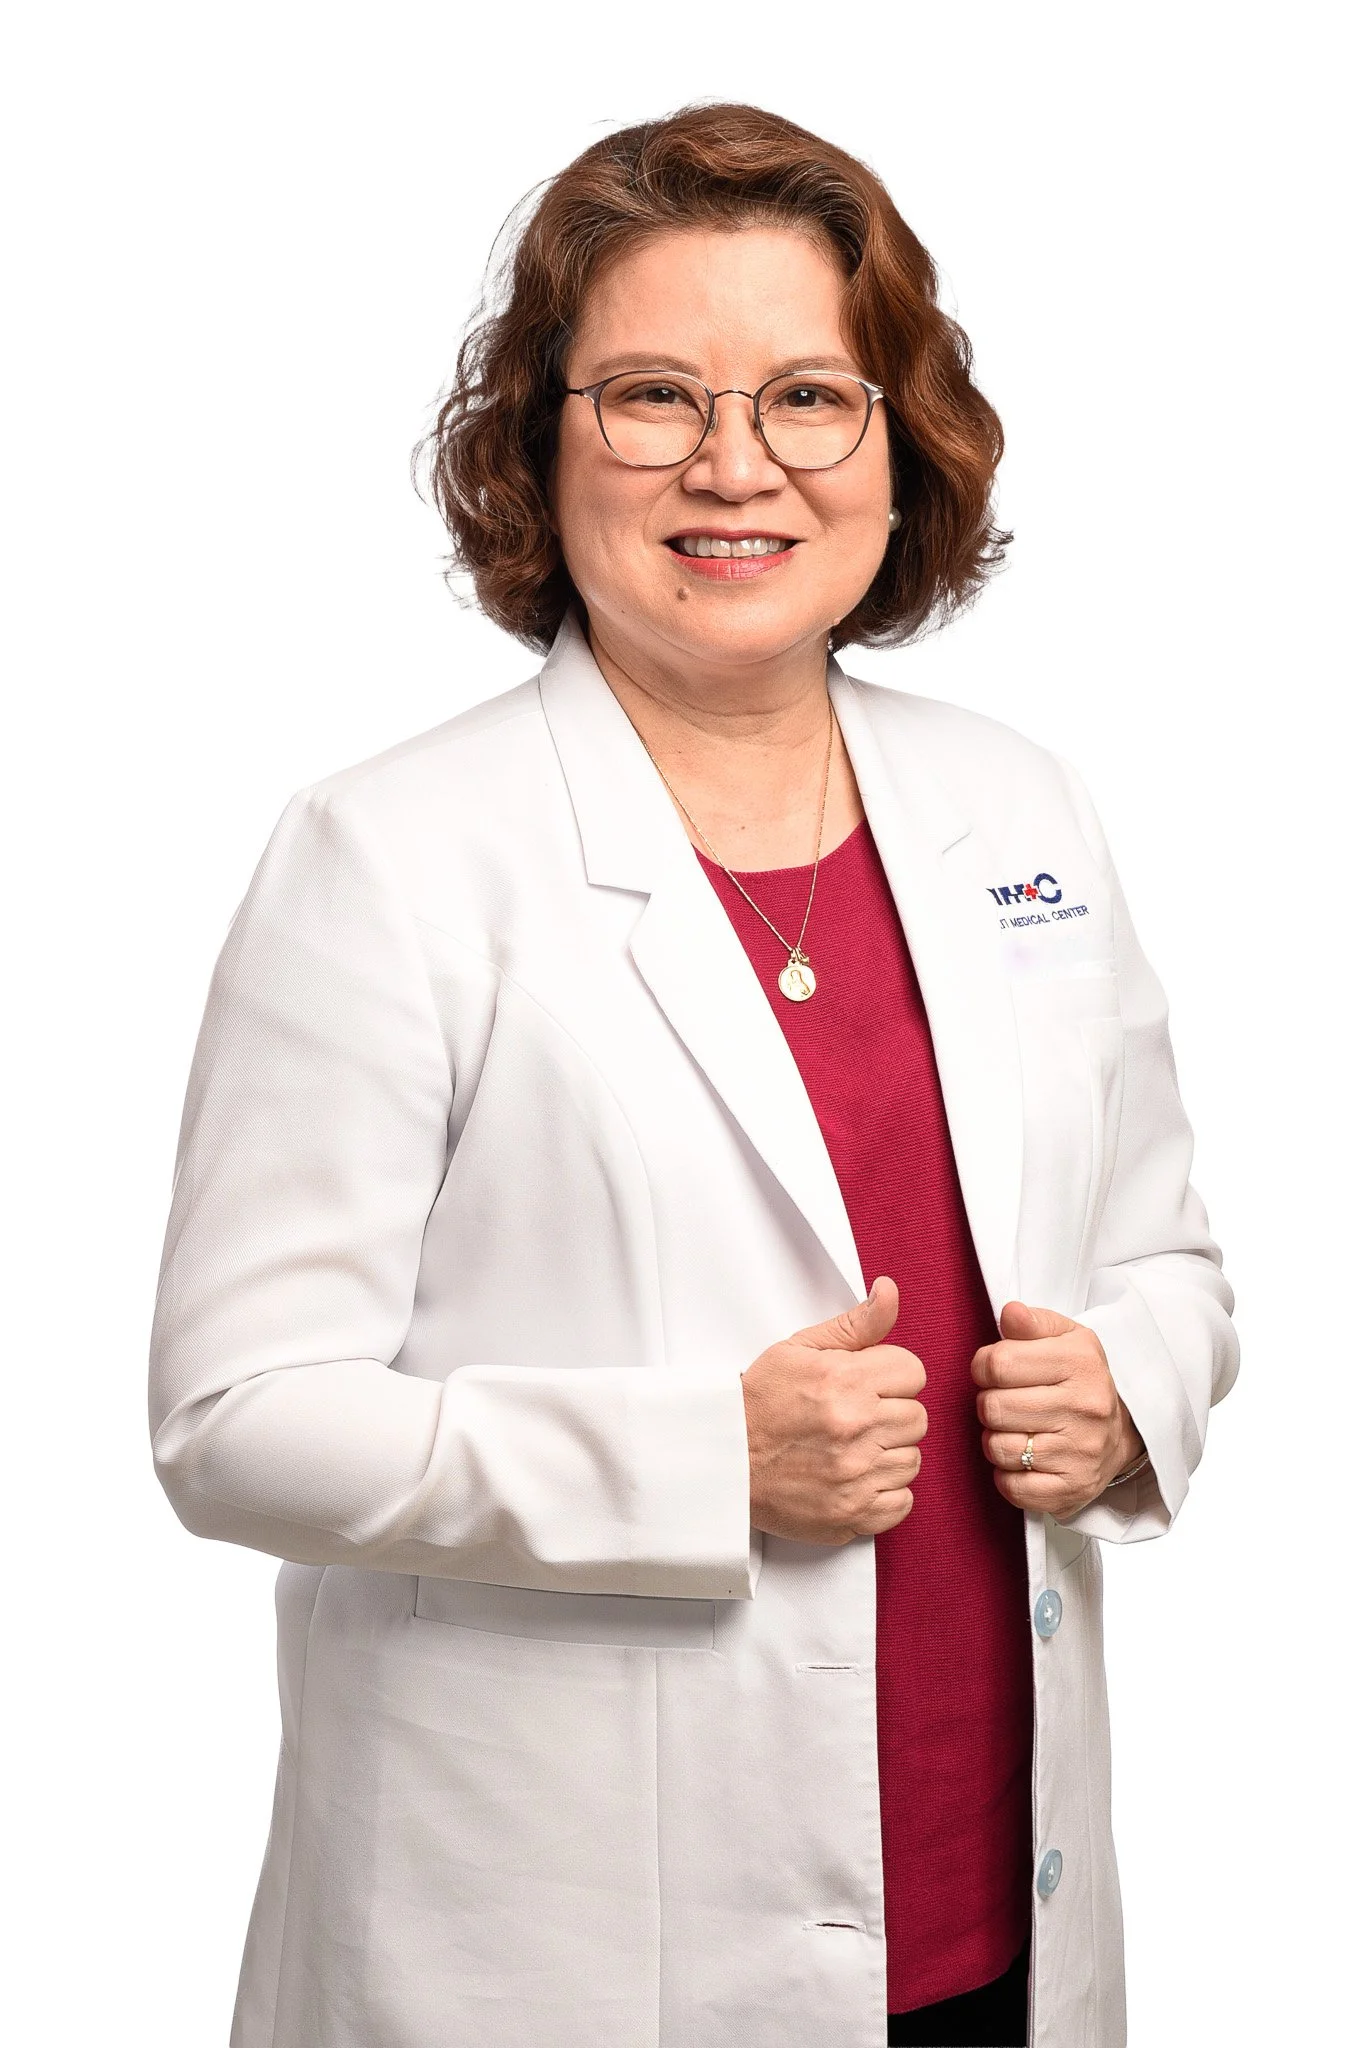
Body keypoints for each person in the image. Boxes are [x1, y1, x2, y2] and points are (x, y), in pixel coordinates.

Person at [147, 100, 1238, 2048]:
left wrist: (1130, 1395)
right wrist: (704, 1460)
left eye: (808, 397)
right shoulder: (390, 856)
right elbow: (235, 1417)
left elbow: (1166, 1259)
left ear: (896, 442)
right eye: (653, 396)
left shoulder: (1019, 809)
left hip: (991, 1917)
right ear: (539, 443)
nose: (735, 465)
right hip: (558, 1953)